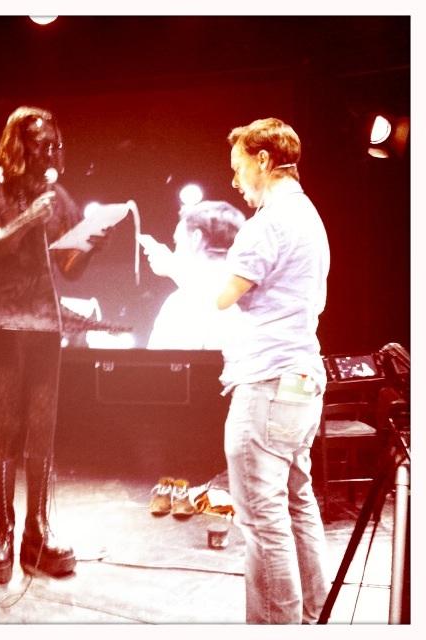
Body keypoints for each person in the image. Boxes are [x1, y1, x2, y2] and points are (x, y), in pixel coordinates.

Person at [0, 106, 101, 585]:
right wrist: (25, 220)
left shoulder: (56, 195)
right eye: (42, 145)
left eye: (55, 145)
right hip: (3, 320)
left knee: (43, 423)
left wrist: (92, 242)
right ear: (18, 144)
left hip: (44, 321)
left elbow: (69, 268)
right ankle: (3, 531)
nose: (51, 153)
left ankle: (37, 530)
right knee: (8, 420)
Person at [215, 117, 331, 623]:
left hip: (267, 386)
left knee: (262, 521)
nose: (235, 181)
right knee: (297, 503)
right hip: (301, 382)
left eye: (238, 167)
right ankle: (313, 619)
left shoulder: (267, 223)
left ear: (263, 160)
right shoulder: (308, 215)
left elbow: (222, 297)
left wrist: (180, 270)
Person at [142, 200, 245, 350]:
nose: (175, 251)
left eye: (177, 243)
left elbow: (162, 363)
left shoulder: (181, 303)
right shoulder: (251, 291)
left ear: (196, 238)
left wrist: (174, 269)